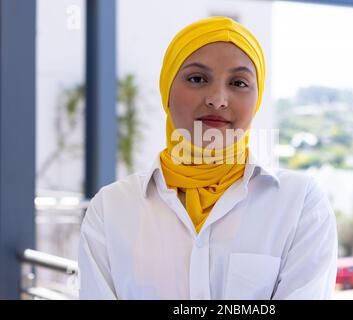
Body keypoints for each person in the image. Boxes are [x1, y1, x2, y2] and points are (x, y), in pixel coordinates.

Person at [78, 16, 337, 300]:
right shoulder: (111, 208)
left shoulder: (300, 204)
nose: (217, 98)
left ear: (257, 99)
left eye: (238, 82)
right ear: (167, 90)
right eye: (197, 79)